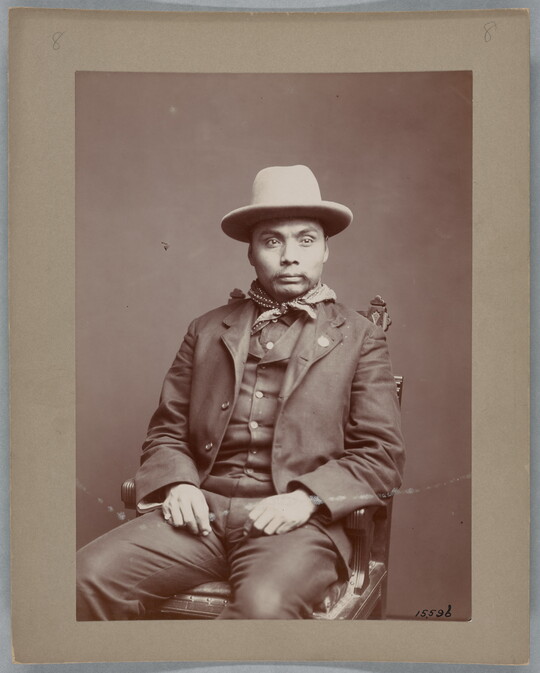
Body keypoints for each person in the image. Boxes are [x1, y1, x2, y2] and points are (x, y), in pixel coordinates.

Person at [76, 164, 405, 620]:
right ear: (251, 251)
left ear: (326, 249)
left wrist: (306, 499)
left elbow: (380, 455)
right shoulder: (207, 330)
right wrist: (178, 483)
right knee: (85, 578)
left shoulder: (360, 337)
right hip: (200, 520)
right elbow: (167, 431)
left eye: (305, 240)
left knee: (263, 608)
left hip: (298, 527)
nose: (289, 256)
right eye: (272, 241)